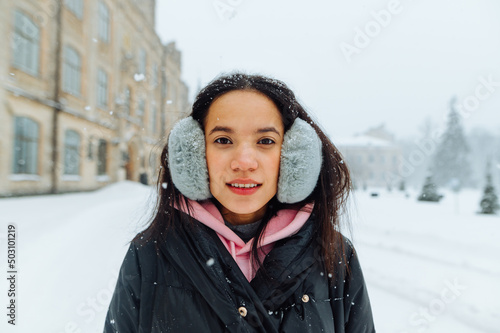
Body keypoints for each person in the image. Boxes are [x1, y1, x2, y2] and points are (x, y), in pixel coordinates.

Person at [103, 73, 375, 333]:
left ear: (295, 154)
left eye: (266, 141)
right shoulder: (149, 253)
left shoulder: (336, 255)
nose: (244, 162)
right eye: (223, 140)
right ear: (194, 152)